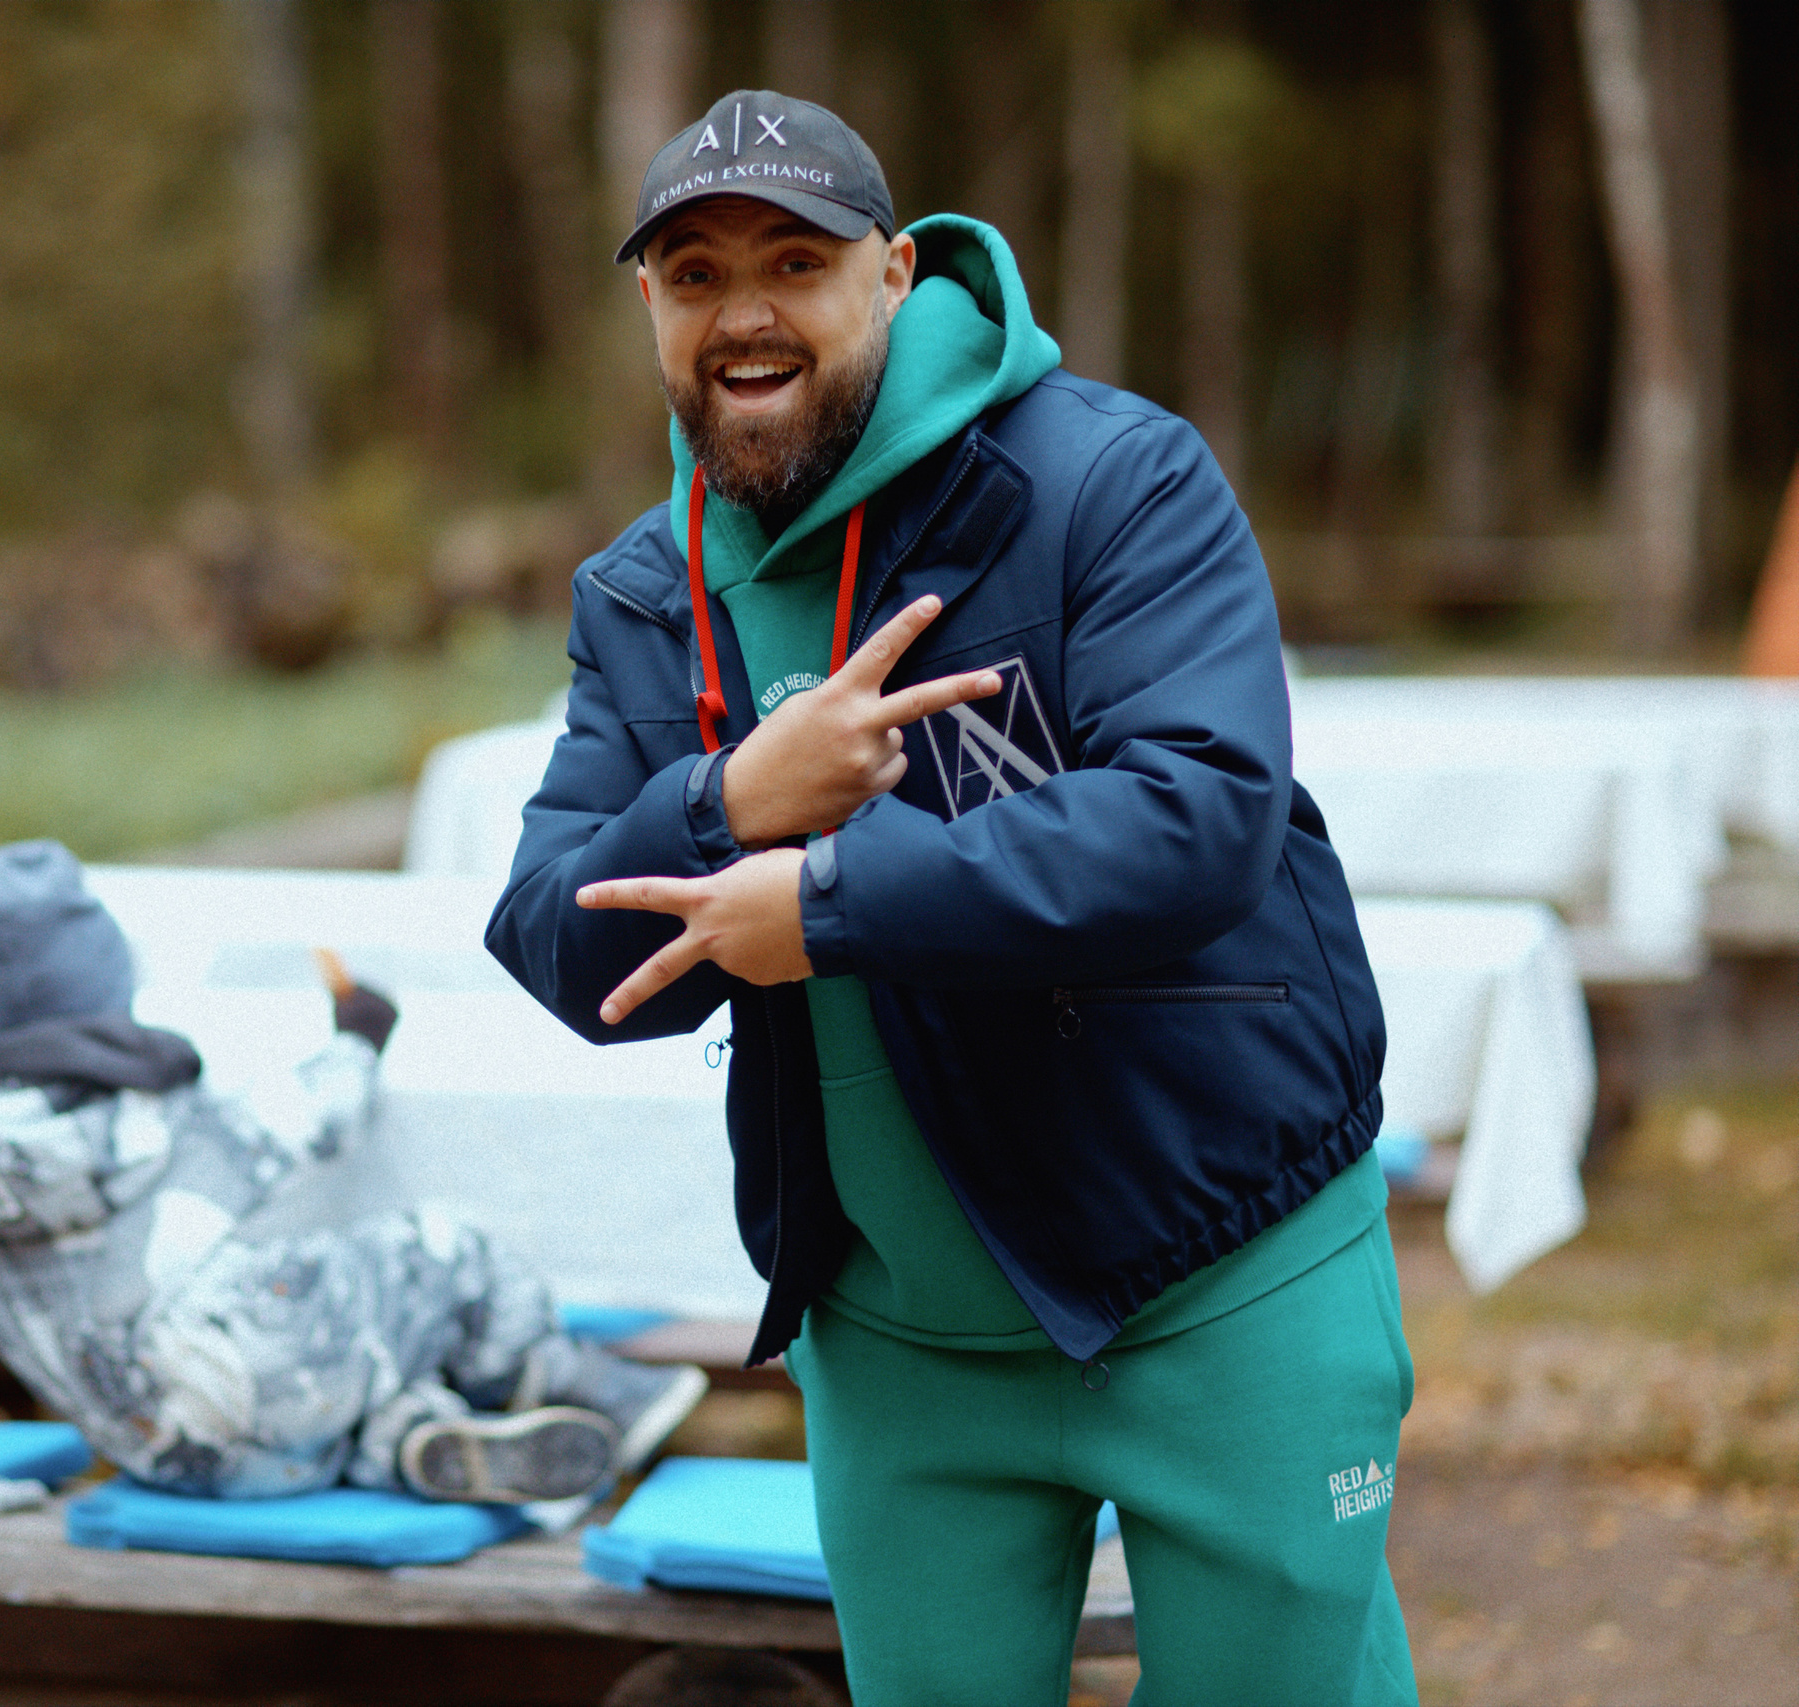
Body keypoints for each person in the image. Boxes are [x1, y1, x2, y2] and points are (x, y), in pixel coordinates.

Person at [487, 90, 1416, 1704]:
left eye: (796, 259)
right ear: (650, 305)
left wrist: (831, 897)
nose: (747, 312)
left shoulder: (1111, 480)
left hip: (1223, 1271)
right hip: (900, 1343)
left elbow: (1202, 816)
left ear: (898, 274)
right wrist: (730, 803)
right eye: (696, 275)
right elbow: (558, 934)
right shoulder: (643, 594)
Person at [0, 839, 704, 1508]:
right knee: (440, 1249)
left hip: (163, 1453)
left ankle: (408, 1444)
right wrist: (361, 1032)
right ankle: (574, 1383)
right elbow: (313, 1113)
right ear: (110, 980)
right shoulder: (158, 1112)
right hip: (257, 1366)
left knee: (307, 1387)